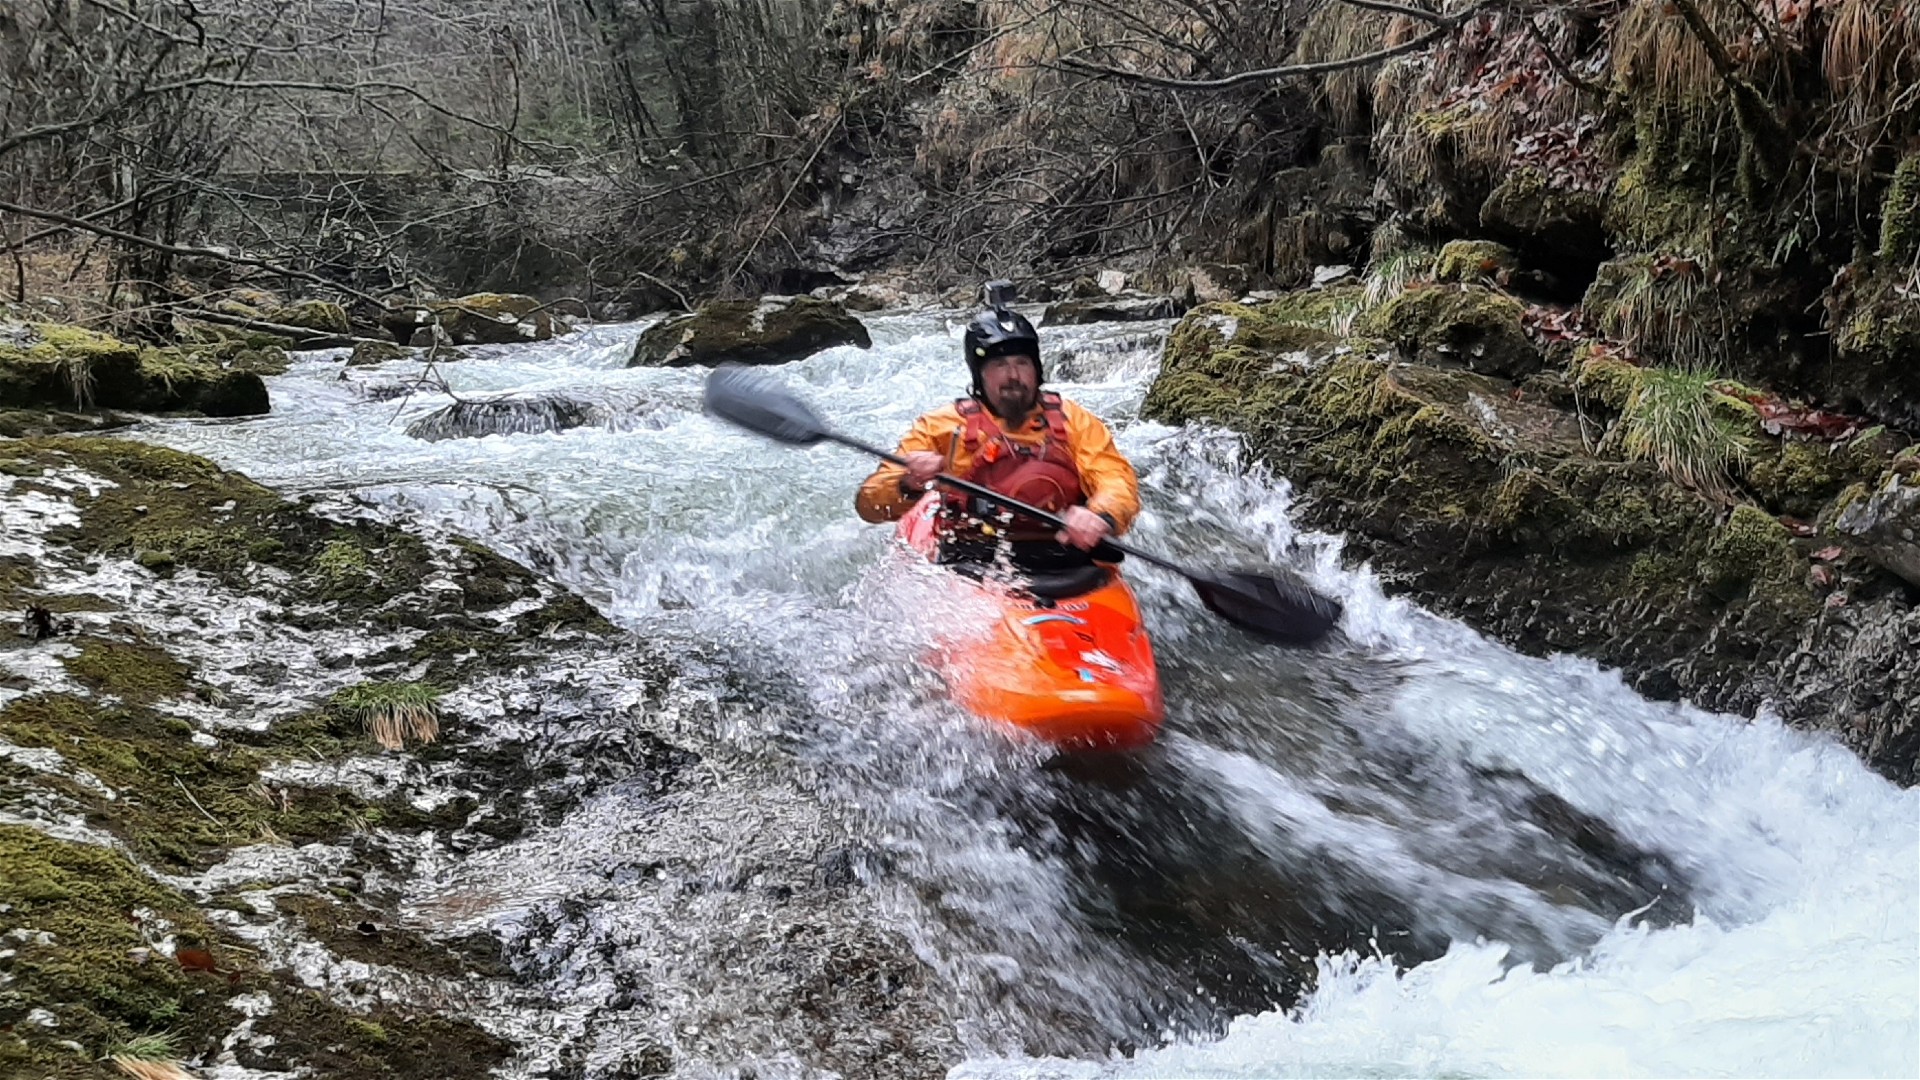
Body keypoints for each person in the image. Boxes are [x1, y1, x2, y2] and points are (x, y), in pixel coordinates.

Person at [855, 283, 1141, 575]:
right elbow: (869, 504)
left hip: (1064, 558)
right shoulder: (943, 427)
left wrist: (1100, 516)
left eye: (1022, 363)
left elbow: (1116, 480)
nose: (1013, 376)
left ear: (1037, 369)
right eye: (1000, 365)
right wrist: (908, 483)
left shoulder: (1075, 421)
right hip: (969, 559)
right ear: (980, 376)